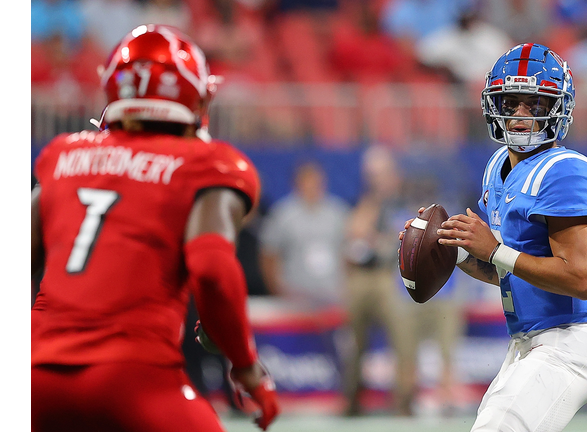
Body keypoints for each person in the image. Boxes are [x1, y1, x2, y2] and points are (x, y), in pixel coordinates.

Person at [31, 24, 279, 432]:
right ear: (194, 96)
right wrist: (247, 367)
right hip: (134, 377)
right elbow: (213, 270)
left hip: (36, 375)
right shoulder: (208, 163)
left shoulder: (63, 155)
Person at [401, 43, 587, 431]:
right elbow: (508, 271)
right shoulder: (497, 167)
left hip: (567, 342)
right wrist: (458, 252)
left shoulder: (567, 170)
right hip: (525, 345)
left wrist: (495, 249)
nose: (519, 115)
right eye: (510, 102)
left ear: (556, 109)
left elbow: (580, 280)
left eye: (533, 103)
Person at [342, 146, 416, 416]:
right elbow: (353, 233)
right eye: (372, 174)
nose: (377, 179)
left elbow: (404, 237)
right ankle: (351, 400)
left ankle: (404, 402)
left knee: (403, 341)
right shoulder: (362, 200)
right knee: (355, 343)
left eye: (382, 173)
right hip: (361, 277)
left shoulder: (404, 201)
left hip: (389, 277)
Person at [258, 160, 350, 307]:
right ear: (297, 184)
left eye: (316, 182)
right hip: (295, 296)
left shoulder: (338, 213)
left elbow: (347, 253)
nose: (312, 186)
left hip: (333, 295)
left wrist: (345, 288)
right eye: (307, 182)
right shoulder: (282, 214)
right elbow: (269, 256)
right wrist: (279, 291)